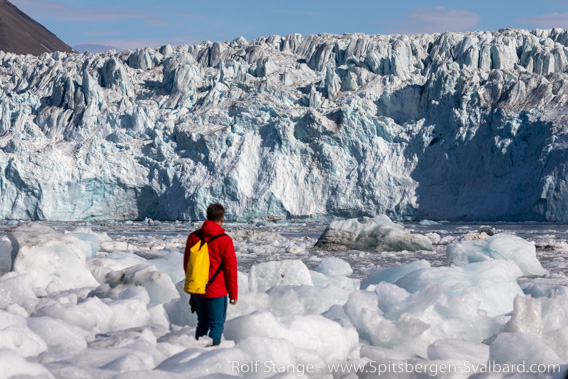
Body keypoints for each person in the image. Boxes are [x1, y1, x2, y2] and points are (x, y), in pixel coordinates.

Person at [183, 203, 238, 346]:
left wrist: (194, 283)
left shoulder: (193, 237)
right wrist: (233, 293)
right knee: (216, 324)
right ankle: (211, 355)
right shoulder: (225, 240)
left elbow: (187, 264)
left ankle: (195, 354)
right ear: (222, 218)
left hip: (198, 289)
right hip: (217, 291)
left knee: (202, 323)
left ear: (207, 217)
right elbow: (230, 269)